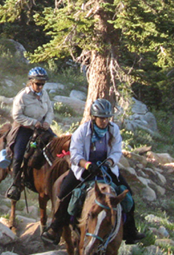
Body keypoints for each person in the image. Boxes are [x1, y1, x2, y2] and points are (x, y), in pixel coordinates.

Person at [42, 98, 138, 245]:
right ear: (94, 117)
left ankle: (130, 231)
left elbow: (117, 151)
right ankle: (55, 227)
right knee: (64, 193)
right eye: (101, 118)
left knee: (128, 194)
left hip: (106, 168)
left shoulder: (114, 130)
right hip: (84, 168)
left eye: (107, 118)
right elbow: (75, 154)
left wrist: (109, 162)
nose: (105, 121)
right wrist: (87, 165)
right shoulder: (82, 131)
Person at [5, 67, 55, 200]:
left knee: (57, 146)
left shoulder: (44, 94)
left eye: (42, 84)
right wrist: (33, 122)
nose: (40, 86)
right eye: (38, 83)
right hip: (25, 128)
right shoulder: (23, 96)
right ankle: (16, 185)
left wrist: (47, 122)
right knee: (19, 154)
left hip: (42, 127)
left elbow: (50, 110)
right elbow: (16, 115)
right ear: (31, 82)